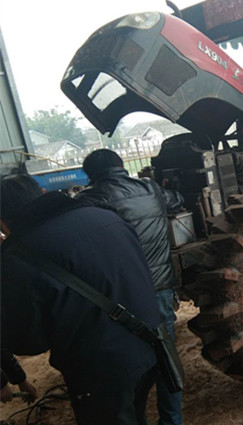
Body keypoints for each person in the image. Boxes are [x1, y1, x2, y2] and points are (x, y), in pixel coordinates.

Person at [0, 173, 163, 425]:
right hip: (148, 344)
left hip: (98, 372)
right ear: (42, 193)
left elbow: (28, 342)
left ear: (3, 221)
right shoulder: (105, 216)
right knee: (136, 412)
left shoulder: (14, 257)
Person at [76, 149, 183, 425]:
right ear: (121, 165)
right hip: (160, 288)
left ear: (90, 174)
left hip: (121, 296)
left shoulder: (89, 200)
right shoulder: (151, 189)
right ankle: (172, 421)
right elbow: (177, 200)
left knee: (131, 366)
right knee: (166, 360)